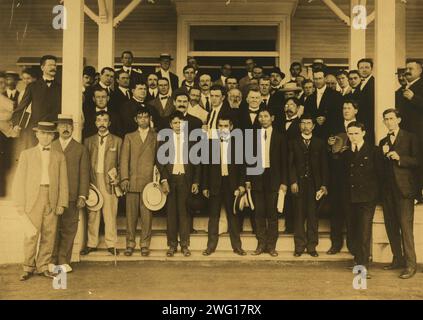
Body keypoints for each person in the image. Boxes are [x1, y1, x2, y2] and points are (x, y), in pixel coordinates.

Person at [12, 122, 68, 280]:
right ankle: (28, 267)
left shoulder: (59, 156)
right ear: (37, 134)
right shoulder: (27, 154)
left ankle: (43, 266)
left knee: (49, 234)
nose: (46, 137)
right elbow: (19, 180)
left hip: (51, 197)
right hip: (32, 199)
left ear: (53, 136)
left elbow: (63, 182)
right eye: (43, 133)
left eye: (49, 134)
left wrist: (61, 203)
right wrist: (20, 203)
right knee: (31, 234)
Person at [379, 109, 420, 279]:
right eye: (386, 119)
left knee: (405, 227)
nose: (388, 122)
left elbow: (419, 161)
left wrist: (400, 158)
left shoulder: (410, 138)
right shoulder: (383, 142)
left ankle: (411, 265)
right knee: (391, 226)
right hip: (388, 191)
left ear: (399, 119)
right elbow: (381, 167)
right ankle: (398, 259)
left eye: (391, 118)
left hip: (404, 191)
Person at [157, 112, 201, 257]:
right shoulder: (164, 140)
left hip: (185, 180)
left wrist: (195, 181)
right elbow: (160, 162)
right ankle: (172, 245)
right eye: (175, 123)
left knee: (184, 214)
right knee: (171, 214)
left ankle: (184, 245)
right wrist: (163, 180)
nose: (178, 126)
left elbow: (197, 163)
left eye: (181, 123)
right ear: (170, 125)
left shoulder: (192, 141)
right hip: (170, 180)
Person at [202, 116, 247, 256]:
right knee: (213, 216)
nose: (223, 129)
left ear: (231, 127)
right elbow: (205, 167)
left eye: (225, 126)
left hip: (231, 184)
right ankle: (210, 246)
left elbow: (242, 167)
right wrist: (205, 186)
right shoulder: (210, 144)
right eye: (220, 126)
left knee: (233, 215)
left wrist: (241, 185)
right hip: (215, 183)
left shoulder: (238, 143)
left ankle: (237, 246)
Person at [246, 109, 288, 257]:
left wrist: (284, 182)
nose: (263, 119)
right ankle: (261, 243)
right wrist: (248, 180)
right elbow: (249, 160)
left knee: (272, 213)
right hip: (257, 177)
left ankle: (271, 246)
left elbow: (285, 162)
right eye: (260, 117)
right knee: (259, 213)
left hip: (273, 178)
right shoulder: (252, 137)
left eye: (266, 116)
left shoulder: (280, 137)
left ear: (272, 118)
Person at [51, 115, 89, 272]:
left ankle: (63, 261)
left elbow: (84, 174)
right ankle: (51, 260)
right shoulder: (51, 146)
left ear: (73, 128)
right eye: (62, 126)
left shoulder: (80, 149)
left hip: (73, 196)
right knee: (52, 229)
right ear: (57, 129)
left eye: (68, 126)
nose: (65, 129)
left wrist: (82, 195)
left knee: (69, 228)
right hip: (53, 196)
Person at [81, 111, 122, 256]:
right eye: (99, 120)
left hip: (109, 181)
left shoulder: (117, 141)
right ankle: (91, 243)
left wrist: (118, 178)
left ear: (109, 123)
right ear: (95, 123)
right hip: (93, 180)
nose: (102, 123)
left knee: (110, 213)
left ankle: (111, 244)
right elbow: (84, 164)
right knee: (93, 212)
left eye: (105, 120)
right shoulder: (88, 141)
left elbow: (121, 163)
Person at [343, 121, 381, 279]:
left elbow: (380, 175)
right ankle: (357, 258)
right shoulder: (345, 153)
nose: (353, 137)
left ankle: (363, 266)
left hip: (366, 199)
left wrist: (377, 197)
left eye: (356, 133)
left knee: (364, 232)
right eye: (350, 134)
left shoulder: (373, 151)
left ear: (363, 133)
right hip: (349, 198)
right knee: (352, 231)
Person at [120, 109, 159, 257]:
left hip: (149, 182)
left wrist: (157, 180)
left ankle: (144, 244)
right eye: (140, 117)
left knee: (147, 216)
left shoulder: (155, 136)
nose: (143, 120)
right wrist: (124, 178)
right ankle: (130, 244)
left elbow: (158, 160)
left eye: (145, 117)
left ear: (150, 118)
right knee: (131, 216)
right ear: (136, 119)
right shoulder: (129, 137)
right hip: (132, 181)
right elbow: (124, 159)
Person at [289, 115, 328, 257]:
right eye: (303, 123)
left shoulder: (320, 143)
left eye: (308, 123)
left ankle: (312, 246)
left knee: (313, 215)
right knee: (299, 215)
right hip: (298, 184)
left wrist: (323, 185)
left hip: (314, 184)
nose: (306, 126)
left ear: (313, 126)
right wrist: (293, 181)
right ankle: (299, 246)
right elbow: (290, 164)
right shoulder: (293, 143)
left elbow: (325, 165)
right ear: (300, 126)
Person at [327, 100, 358, 255]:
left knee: (351, 212)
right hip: (337, 175)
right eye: (344, 108)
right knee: (336, 211)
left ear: (356, 111)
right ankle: (336, 243)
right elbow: (329, 149)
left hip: (353, 177)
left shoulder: (362, 127)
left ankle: (353, 245)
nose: (346, 110)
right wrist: (330, 144)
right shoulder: (334, 126)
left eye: (349, 108)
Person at [13, 55, 62, 149]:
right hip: (36, 130)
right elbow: (21, 107)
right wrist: (16, 123)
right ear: (42, 67)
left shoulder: (60, 87)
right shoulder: (32, 86)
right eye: (50, 65)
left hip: (54, 130)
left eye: (55, 65)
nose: (53, 67)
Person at [395, 59, 423, 199]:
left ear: (420, 71)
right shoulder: (401, 90)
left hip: (419, 133)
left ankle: (418, 193)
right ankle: (410, 193)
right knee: (407, 161)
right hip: (405, 134)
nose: (407, 71)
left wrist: (414, 98)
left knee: (419, 162)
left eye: (411, 68)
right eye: (407, 68)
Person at [304, 69, 343, 140]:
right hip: (314, 135)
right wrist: (315, 120)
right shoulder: (309, 98)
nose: (318, 81)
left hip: (330, 135)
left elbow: (339, 116)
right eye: (315, 79)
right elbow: (306, 116)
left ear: (325, 78)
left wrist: (326, 118)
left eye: (320, 78)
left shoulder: (336, 95)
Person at [357, 58, 375, 143]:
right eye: (361, 68)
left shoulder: (374, 83)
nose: (364, 70)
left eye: (367, 67)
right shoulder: (360, 84)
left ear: (371, 69)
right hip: (361, 121)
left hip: (370, 121)